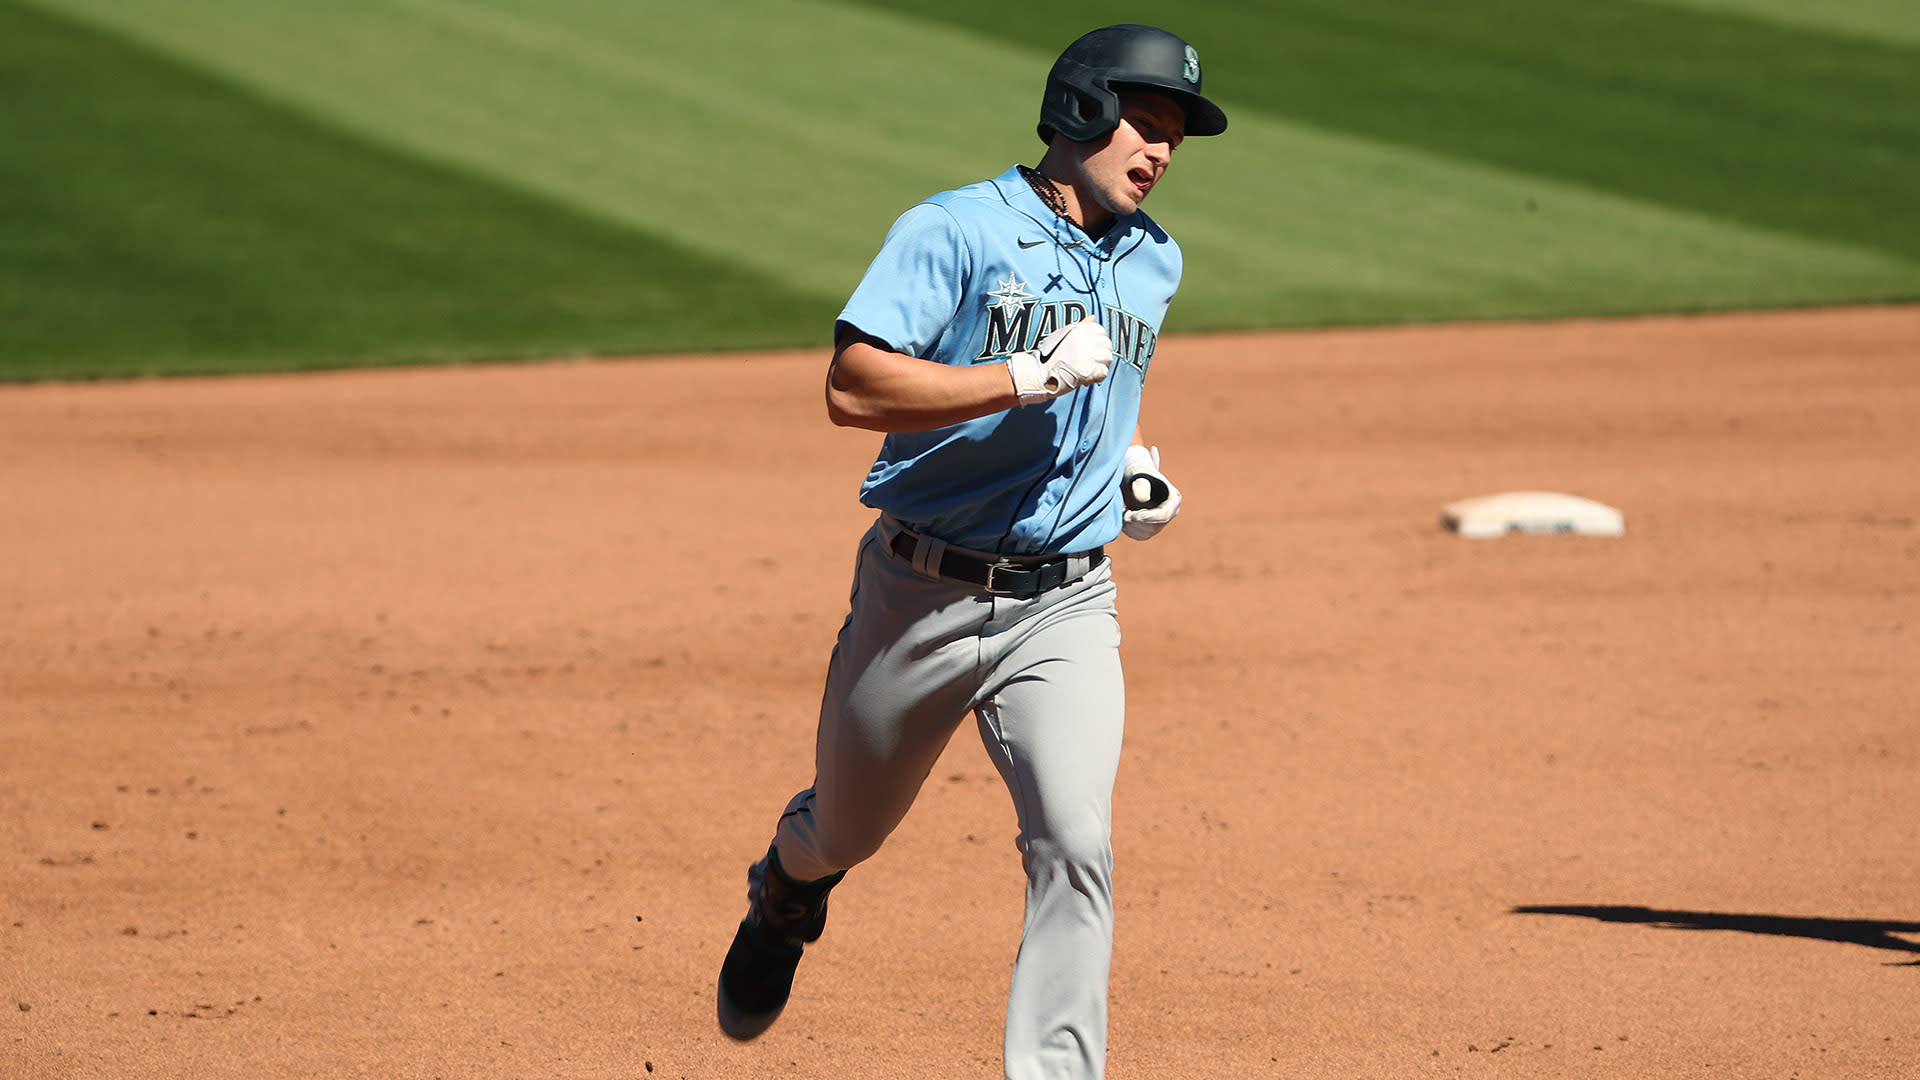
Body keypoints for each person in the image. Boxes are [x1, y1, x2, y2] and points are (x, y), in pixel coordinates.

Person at [715, 23, 1226, 1080]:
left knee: (1075, 845)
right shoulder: (952, 231)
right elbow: (854, 388)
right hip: (921, 594)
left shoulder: (1155, 259)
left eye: (1177, 134)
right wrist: (1021, 378)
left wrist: (1127, 473)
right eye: (1148, 122)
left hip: (1068, 606)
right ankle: (788, 891)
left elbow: (1111, 390)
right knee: (845, 828)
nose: (1162, 150)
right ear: (1081, 110)